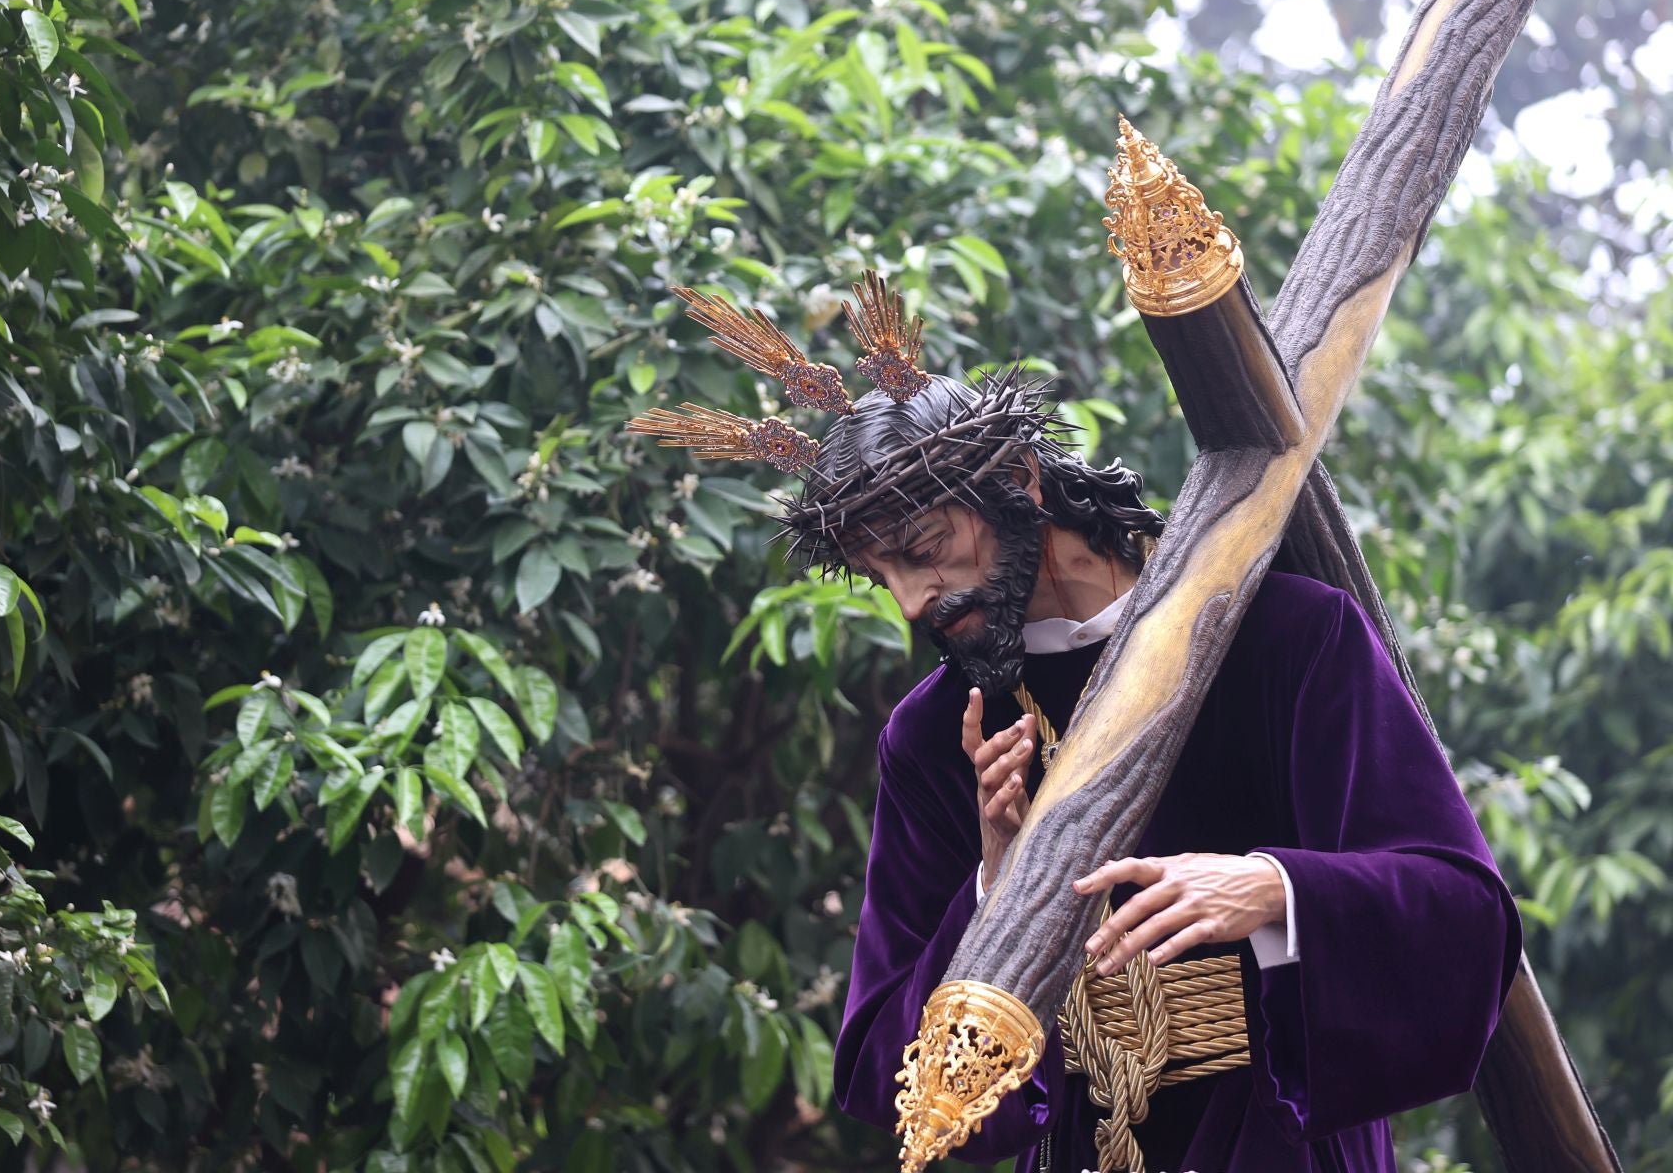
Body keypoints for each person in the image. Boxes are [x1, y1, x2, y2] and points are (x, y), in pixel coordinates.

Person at [625, 276, 1521, 1172]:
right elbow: (889, 1075)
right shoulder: (936, 734)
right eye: (879, 573)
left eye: (922, 551)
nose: (909, 604)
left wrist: (1269, 891)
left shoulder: (1287, 637)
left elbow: (1465, 919)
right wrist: (993, 885)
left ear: (1016, 479)